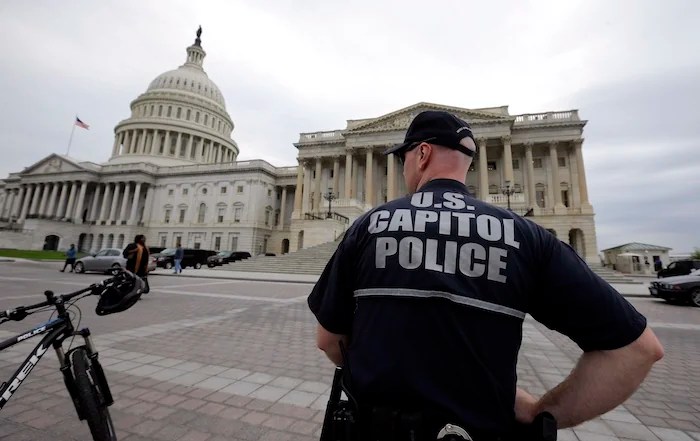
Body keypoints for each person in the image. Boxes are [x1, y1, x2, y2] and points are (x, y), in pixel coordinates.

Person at [308, 111, 664, 440]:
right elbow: (638, 349)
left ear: (422, 154)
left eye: (403, 159)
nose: (402, 170)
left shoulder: (369, 226)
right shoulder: (527, 237)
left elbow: (328, 339)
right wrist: (543, 412)